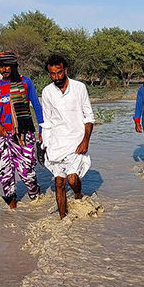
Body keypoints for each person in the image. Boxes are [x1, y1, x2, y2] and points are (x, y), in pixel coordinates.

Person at [41, 55, 94, 219]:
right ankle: (63, 219)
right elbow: (47, 121)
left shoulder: (79, 88)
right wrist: (45, 145)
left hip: (76, 142)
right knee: (59, 182)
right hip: (56, 143)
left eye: (59, 72)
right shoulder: (47, 92)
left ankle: (78, 195)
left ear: (66, 70)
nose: (56, 77)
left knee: (72, 179)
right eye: (52, 74)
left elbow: (89, 117)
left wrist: (86, 140)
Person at [0, 51, 43, 209]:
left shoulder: (25, 82)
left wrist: (42, 130)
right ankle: (11, 210)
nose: (4, 69)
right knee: (5, 173)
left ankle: (35, 199)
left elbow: (36, 105)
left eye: (7, 65)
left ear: (14, 66)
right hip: (5, 136)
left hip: (24, 135)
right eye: (1, 66)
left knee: (27, 173)